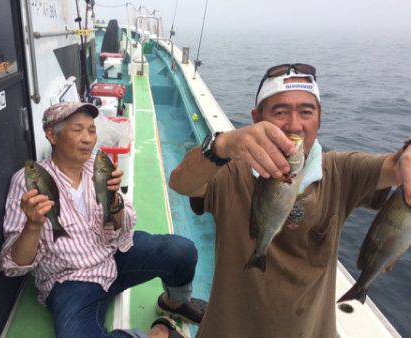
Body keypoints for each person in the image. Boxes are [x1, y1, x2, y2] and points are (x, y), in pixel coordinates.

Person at [169, 64, 411, 338]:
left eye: (306, 112)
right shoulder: (231, 170)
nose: (295, 125)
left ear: (319, 119)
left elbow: (395, 167)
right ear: (256, 118)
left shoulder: (341, 171)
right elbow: (180, 182)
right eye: (280, 112)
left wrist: (407, 153)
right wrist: (222, 145)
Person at [0, 102, 207, 338]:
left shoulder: (98, 167)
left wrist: (114, 199)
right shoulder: (26, 182)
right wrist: (33, 225)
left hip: (114, 256)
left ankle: (174, 304)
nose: (88, 139)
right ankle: (159, 334)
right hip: (72, 280)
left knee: (182, 250)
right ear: (51, 135)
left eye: (91, 130)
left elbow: (126, 224)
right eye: (78, 130)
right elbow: (13, 266)